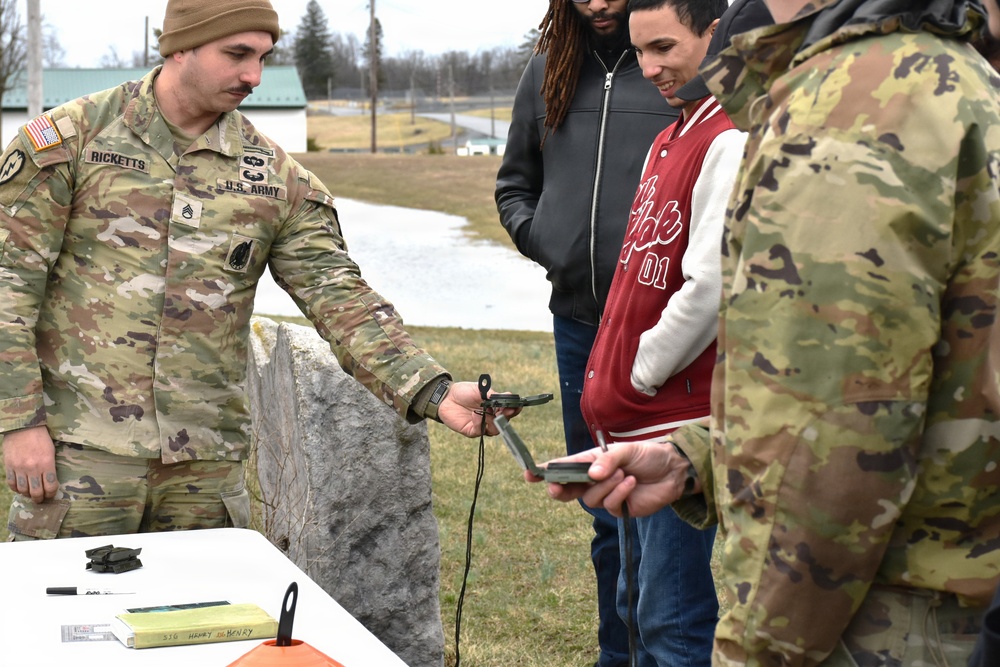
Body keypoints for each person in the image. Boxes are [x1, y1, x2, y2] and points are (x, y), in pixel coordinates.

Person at [534, 0, 1000, 664]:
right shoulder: (947, 74)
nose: (651, 66)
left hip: (883, 623)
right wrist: (698, 455)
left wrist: (754, 652)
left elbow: (840, 447)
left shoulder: (850, 113)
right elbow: (916, 388)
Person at [0, 0, 513, 541]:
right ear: (179, 46)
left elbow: (339, 296)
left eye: (263, 57)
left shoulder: (273, 177)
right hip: (80, 453)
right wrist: (18, 422)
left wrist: (431, 390)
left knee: (205, 623)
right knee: (68, 619)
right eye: (237, 54)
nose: (253, 76)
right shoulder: (72, 142)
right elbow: (8, 289)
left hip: (206, 467)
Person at [495, 1, 679, 663]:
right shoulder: (550, 69)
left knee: (668, 510)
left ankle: (670, 647)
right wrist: (547, 241)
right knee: (604, 505)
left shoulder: (674, 68)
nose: (598, 2)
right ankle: (616, 650)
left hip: (666, 331)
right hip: (577, 322)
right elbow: (515, 181)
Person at [578, 0, 747, 664]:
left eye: (665, 47)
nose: (650, 67)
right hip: (634, 426)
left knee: (674, 619)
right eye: (640, 50)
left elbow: (709, 285)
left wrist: (637, 373)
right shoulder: (672, 134)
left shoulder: (727, 138)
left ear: (714, 31)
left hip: (677, 419)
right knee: (635, 606)